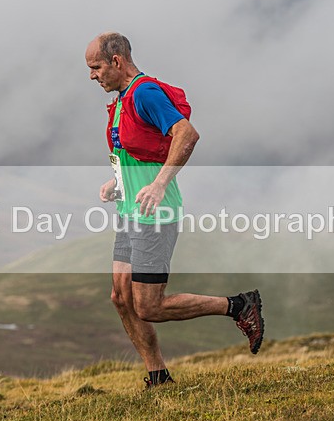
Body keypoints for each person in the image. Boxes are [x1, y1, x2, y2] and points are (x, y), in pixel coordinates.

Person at [85, 32, 265, 387]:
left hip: (156, 213)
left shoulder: (145, 93)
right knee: (121, 297)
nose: (92, 75)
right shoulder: (122, 99)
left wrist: (159, 184)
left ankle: (239, 305)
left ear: (117, 61)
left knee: (149, 306)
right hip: (130, 211)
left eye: (96, 67)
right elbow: (137, 151)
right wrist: (117, 183)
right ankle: (158, 377)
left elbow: (186, 134)